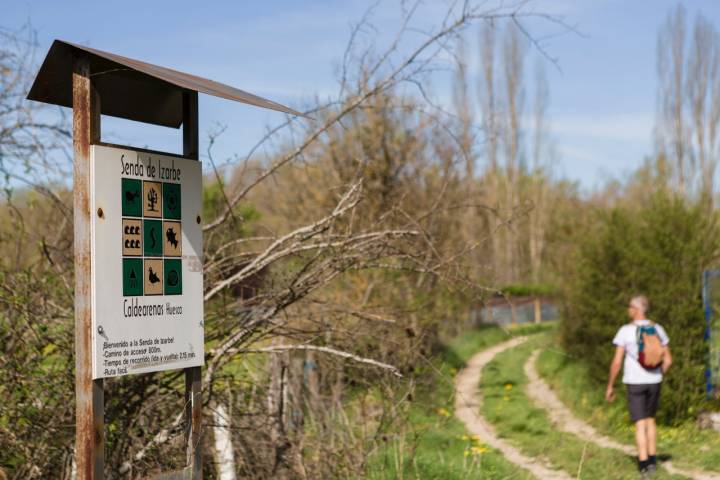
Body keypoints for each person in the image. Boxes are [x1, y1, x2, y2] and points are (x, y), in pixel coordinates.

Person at [606, 295, 672, 477]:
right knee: (651, 420)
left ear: (636, 309)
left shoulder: (625, 331)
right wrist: (659, 373)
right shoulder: (658, 329)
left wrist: (610, 385)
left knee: (640, 423)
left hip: (634, 382)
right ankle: (652, 460)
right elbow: (668, 360)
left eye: (630, 307)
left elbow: (617, 362)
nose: (628, 310)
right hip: (654, 382)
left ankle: (643, 465)